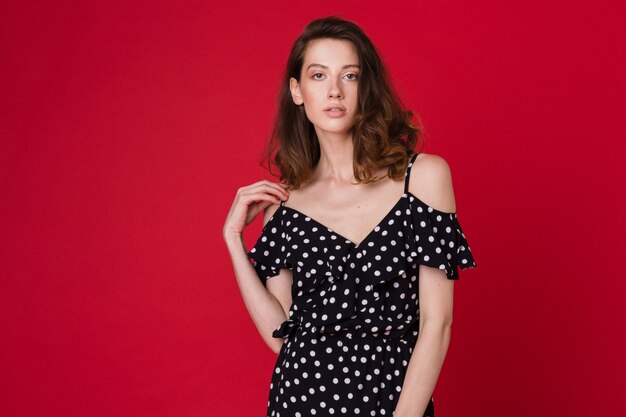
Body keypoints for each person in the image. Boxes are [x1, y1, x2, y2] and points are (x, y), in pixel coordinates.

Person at [222, 16, 477, 417]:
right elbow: (281, 334)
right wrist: (234, 240)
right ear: (297, 90)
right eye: (319, 75)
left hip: (395, 404)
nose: (335, 90)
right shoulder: (284, 204)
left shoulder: (422, 178)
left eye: (350, 76)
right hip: (299, 400)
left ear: (365, 87)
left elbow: (437, 323)